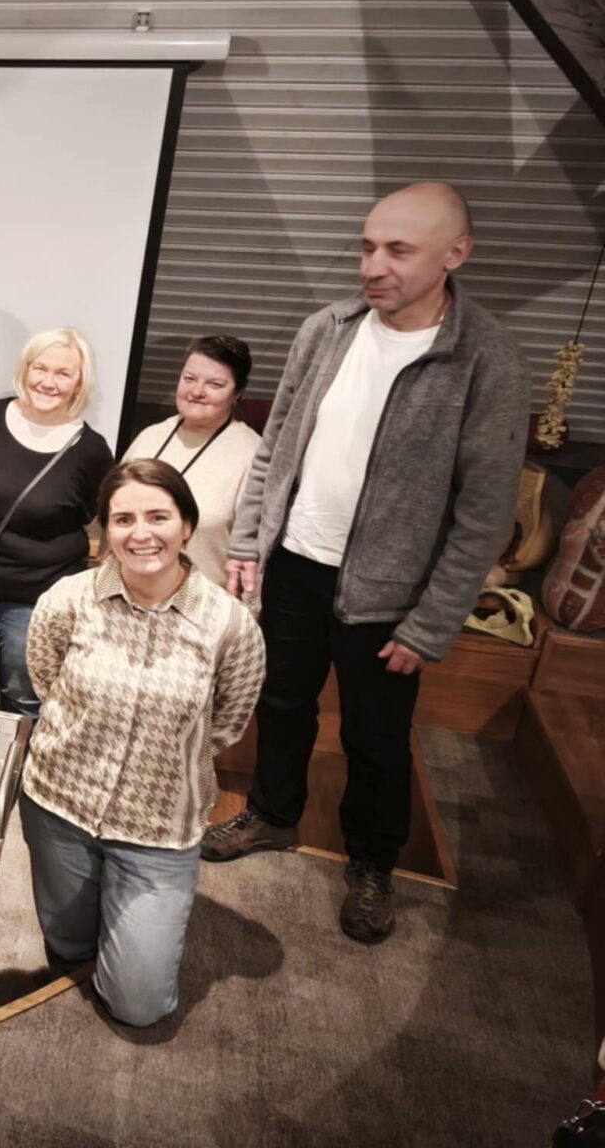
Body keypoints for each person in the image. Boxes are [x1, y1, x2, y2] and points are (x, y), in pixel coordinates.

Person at [200, 182, 528, 944]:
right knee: (282, 702)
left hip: (390, 595)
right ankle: (273, 813)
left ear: (455, 254)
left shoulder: (486, 359)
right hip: (296, 563)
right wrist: (249, 542)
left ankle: (374, 862)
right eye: (367, 247)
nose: (373, 266)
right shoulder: (327, 329)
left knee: (376, 737)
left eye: (398, 251)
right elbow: (277, 447)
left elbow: (484, 513)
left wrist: (433, 622)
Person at [21, 459, 265, 1027]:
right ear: (106, 530)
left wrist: (163, 752)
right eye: (123, 519)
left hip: (158, 828)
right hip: (58, 805)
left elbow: (228, 721)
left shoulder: (229, 624)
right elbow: (45, 679)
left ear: (187, 525)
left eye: (159, 516)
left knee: (139, 1006)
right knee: (68, 949)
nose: (141, 533)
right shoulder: (67, 599)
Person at [0, 328, 113, 717]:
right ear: (26, 369)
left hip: (39, 601)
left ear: (79, 383)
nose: (48, 382)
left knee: (24, 703)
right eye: (41, 368)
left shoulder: (91, 450)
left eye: (63, 373)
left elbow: (99, 517)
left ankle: (20, 762)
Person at [121, 335, 261, 588]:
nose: (196, 392)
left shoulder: (253, 455)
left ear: (237, 393)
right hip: (127, 594)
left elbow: (254, 558)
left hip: (202, 602)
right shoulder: (150, 437)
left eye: (214, 384)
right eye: (189, 379)